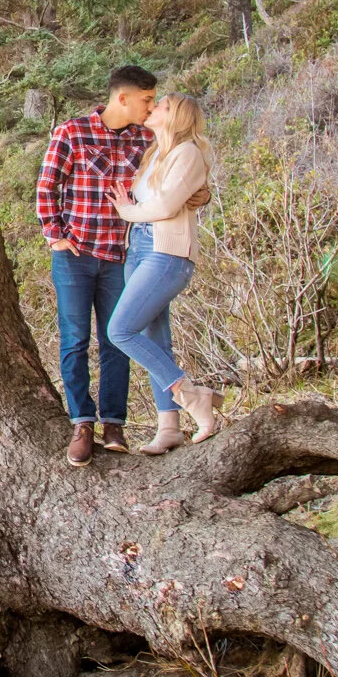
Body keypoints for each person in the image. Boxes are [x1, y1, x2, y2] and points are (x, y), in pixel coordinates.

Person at [35, 65, 206, 467]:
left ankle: (114, 424)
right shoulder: (72, 132)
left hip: (122, 255)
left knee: (117, 340)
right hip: (74, 255)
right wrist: (54, 233)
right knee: (75, 339)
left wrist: (201, 195)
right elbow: (47, 185)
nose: (150, 107)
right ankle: (82, 423)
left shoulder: (147, 139)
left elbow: (178, 178)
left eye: (154, 101)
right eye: (147, 99)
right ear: (122, 98)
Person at [106, 91, 226, 453]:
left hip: (167, 252)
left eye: (162, 105)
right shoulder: (154, 153)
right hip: (139, 248)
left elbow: (165, 205)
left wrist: (128, 211)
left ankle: (194, 397)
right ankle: (169, 427)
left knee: (120, 330)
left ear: (176, 116)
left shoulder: (188, 152)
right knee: (155, 339)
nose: (154, 108)